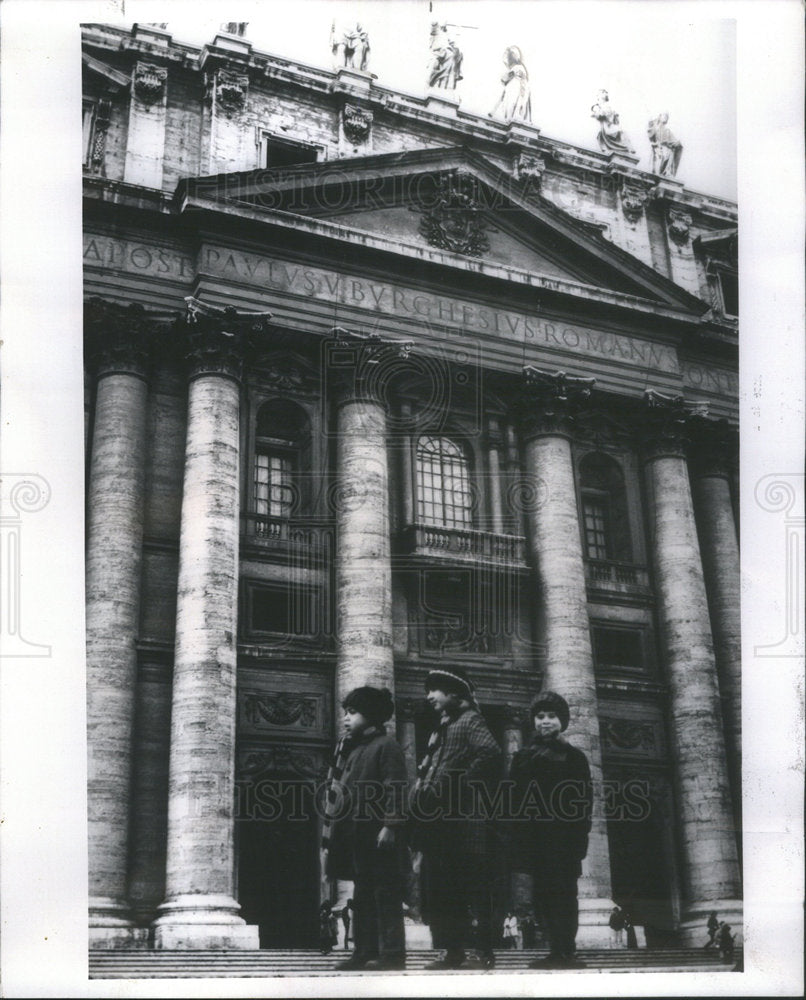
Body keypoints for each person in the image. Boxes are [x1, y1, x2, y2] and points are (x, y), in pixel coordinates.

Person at [410, 667, 503, 970]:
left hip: (463, 820)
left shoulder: (469, 720)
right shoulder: (445, 726)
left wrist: (458, 783)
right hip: (441, 820)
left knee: (471, 885)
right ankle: (452, 950)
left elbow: (490, 752)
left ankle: (482, 950)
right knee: (441, 887)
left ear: (454, 693)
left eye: (435, 689)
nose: (429, 696)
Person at [321, 686, 409, 971]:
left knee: (386, 895)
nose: (346, 718)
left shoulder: (386, 746)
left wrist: (391, 825)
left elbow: (395, 787)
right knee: (362, 897)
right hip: (357, 836)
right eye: (346, 712)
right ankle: (363, 951)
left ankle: (392, 954)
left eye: (352, 712)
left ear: (370, 715)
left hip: (379, 835)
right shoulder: (354, 749)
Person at [508, 691, 593, 970]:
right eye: (540, 716)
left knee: (565, 894)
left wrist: (580, 839)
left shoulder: (574, 758)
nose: (545, 722)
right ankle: (553, 950)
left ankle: (566, 950)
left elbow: (584, 801)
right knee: (543, 893)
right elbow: (514, 799)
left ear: (562, 721)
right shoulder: (522, 757)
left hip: (564, 839)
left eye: (552, 716)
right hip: (534, 839)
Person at [489, 46, 532, 122]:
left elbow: (505, 78)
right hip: (516, 88)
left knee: (511, 103)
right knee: (509, 103)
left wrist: (505, 78)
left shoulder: (518, 67)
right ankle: (507, 117)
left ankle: (509, 117)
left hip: (515, 88)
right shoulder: (520, 68)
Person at [590, 89, 634, 155]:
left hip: (611, 124)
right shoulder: (597, 106)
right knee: (620, 132)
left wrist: (614, 114)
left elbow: (613, 117)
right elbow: (599, 114)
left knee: (622, 132)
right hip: (607, 126)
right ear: (599, 95)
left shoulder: (607, 105)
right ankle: (627, 147)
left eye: (606, 93)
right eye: (604, 92)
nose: (606, 94)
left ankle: (627, 147)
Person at [427, 22, 463, 90]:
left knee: (449, 79)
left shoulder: (455, 51)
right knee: (440, 79)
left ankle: (445, 89)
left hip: (450, 65)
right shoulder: (440, 35)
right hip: (441, 63)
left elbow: (458, 58)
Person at [647, 112, 683, 177]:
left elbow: (673, 141)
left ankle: (666, 172)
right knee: (663, 154)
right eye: (665, 116)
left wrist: (676, 143)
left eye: (667, 117)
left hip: (666, 150)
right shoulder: (655, 127)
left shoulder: (667, 131)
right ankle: (658, 172)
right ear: (660, 116)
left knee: (669, 152)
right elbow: (650, 136)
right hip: (658, 149)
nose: (666, 118)